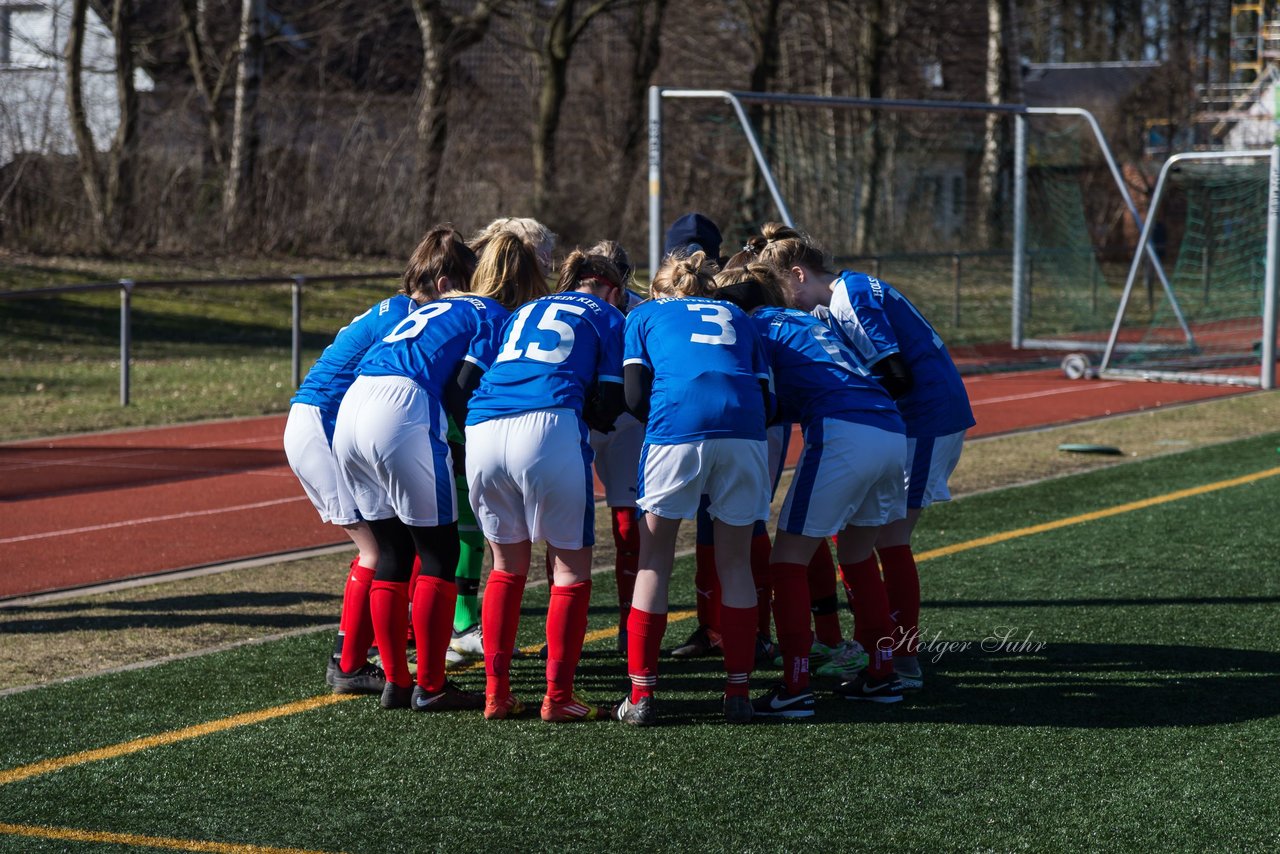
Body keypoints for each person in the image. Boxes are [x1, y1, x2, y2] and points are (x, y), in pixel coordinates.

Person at [754, 222, 974, 692]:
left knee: (890, 540)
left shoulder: (846, 295)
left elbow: (895, 375)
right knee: (860, 542)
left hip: (923, 417)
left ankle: (902, 656)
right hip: (906, 421)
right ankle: (879, 653)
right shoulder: (843, 294)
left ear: (797, 274)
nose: (784, 302)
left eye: (781, 289)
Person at [331, 232, 519, 711]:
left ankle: (397, 680)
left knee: (392, 551)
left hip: (354, 407)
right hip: (404, 407)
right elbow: (461, 389)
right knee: (436, 554)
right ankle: (430, 685)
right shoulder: (488, 312)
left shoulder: (428, 309)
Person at [713, 260, 908, 713]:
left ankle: (795, 685)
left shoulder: (751, 328)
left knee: (787, 561)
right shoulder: (800, 318)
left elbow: (759, 396)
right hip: (890, 428)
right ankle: (882, 672)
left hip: (844, 430)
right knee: (858, 554)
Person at [284, 226, 470, 694]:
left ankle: (372, 650)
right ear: (445, 284)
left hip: (322, 417)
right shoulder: (409, 315)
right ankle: (348, 663)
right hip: (327, 421)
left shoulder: (396, 308)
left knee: (394, 540)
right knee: (380, 547)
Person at [465, 249, 627, 722]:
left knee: (506, 565)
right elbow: (612, 400)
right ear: (612, 289)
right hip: (549, 423)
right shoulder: (608, 315)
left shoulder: (523, 310)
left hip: (484, 425)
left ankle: (497, 693)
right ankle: (557, 696)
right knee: (570, 568)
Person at [615, 250, 773, 726]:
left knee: (654, 560)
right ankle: (738, 691)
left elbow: (634, 395)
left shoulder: (643, 313)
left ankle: (641, 696)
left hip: (675, 428)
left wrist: (673, 426)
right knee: (735, 562)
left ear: (662, 287)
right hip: (745, 432)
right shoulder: (738, 317)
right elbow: (767, 395)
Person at [447, 217, 558, 668]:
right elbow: (463, 379)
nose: (551, 264)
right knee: (465, 530)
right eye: (545, 254)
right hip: (454, 420)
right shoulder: (492, 308)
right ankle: (460, 627)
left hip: (450, 419)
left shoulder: (484, 297)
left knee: (468, 529)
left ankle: (460, 626)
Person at [584, 240, 646, 651]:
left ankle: (628, 622)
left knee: (626, 522)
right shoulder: (574, 302)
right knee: (567, 526)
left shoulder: (640, 309)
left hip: (623, 421)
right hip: (583, 417)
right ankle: (567, 625)